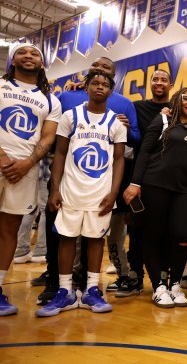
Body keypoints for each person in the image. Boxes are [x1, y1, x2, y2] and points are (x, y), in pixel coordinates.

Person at [36, 71, 126, 317]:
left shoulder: (116, 122)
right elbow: (61, 154)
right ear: (86, 88)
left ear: (111, 91)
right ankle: (65, 292)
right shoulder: (70, 116)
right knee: (67, 238)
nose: (99, 87)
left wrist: (114, 192)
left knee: (95, 240)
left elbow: (119, 160)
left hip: (100, 192)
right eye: (95, 83)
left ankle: (91, 291)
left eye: (105, 85)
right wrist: (55, 189)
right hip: (70, 191)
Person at [123, 88, 187, 308]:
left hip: (183, 191)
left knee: (182, 235)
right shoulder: (163, 120)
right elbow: (145, 151)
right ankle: (159, 286)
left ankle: (175, 284)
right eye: (186, 98)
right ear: (177, 100)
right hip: (154, 185)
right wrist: (135, 183)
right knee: (153, 236)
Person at [0, 43, 61, 316]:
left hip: (25, 171)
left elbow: (48, 137)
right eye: (22, 52)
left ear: (42, 63)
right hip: (2, 162)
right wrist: (2, 158)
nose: (28, 56)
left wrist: (27, 163)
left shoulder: (51, 100)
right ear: (12, 60)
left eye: (34, 53)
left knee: (8, 230)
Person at [119, 69, 173, 298]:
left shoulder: (176, 109)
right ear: (149, 83)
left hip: (166, 177)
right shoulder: (136, 107)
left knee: (165, 231)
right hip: (140, 177)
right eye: (155, 79)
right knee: (137, 228)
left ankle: (162, 278)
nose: (159, 83)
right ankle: (135, 277)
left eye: (163, 80)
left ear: (170, 84)